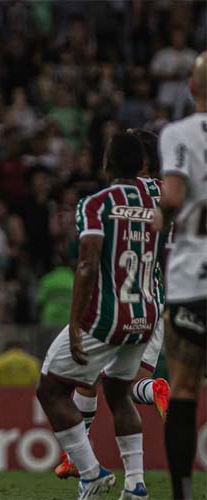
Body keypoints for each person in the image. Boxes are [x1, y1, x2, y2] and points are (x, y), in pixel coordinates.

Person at [36, 132, 162, 500]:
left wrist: (76, 323)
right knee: (120, 394)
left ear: (107, 163)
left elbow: (87, 263)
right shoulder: (159, 202)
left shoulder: (96, 204)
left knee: (50, 389)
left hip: (106, 317)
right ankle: (135, 484)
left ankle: (90, 474)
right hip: (145, 314)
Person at [156, 51, 207, 500]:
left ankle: (183, 494)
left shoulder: (179, 133)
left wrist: (160, 215)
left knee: (185, 387)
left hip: (193, 280)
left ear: (191, 89)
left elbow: (172, 196)